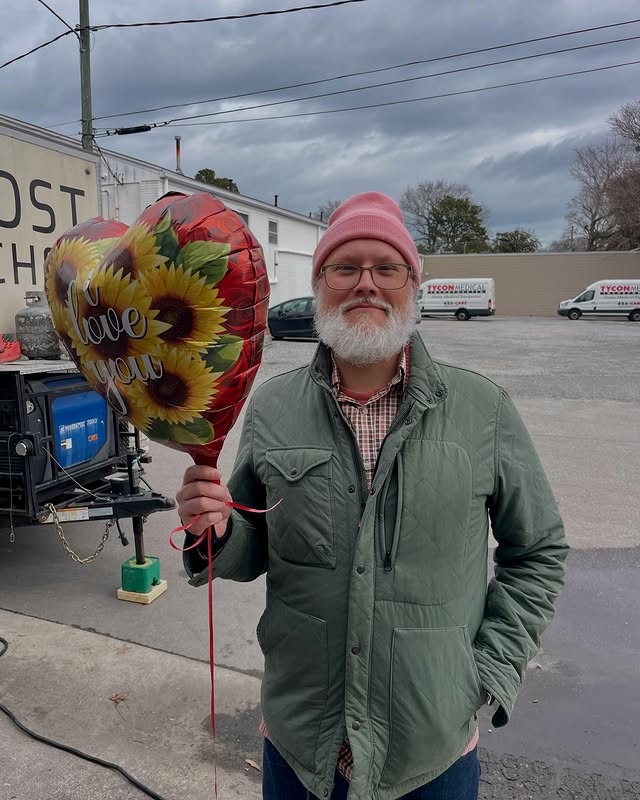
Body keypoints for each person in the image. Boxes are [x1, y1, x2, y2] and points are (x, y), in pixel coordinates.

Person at [176, 192, 568, 800]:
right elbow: (252, 544)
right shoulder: (274, 406)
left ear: (414, 284)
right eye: (345, 267)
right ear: (319, 282)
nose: (366, 284)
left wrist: (487, 671)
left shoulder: (482, 410)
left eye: (386, 268)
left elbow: (537, 550)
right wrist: (219, 530)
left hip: (429, 752)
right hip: (301, 744)